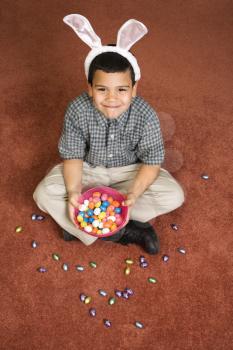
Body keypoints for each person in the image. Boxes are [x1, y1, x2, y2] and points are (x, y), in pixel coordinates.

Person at [33, 14, 185, 255]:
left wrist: (133, 192)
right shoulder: (77, 109)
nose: (112, 99)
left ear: (134, 89)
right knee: (42, 195)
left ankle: (79, 225)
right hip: (88, 171)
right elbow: (72, 156)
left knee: (174, 195)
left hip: (128, 173)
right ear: (90, 88)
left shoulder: (145, 115)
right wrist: (74, 192)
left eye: (122, 90)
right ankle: (121, 231)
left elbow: (152, 161)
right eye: (102, 89)